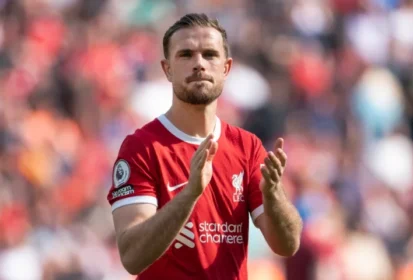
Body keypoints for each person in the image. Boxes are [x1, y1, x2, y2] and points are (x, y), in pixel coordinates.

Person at [107, 13, 303, 280]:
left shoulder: (247, 147)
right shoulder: (142, 148)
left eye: (210, 54)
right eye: (185, 55)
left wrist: (273, 195)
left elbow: (287, 245)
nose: (199, 64)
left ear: (226, 67)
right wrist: (189, 195)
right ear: (167, 69)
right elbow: (132, 257)